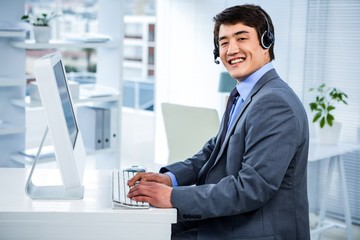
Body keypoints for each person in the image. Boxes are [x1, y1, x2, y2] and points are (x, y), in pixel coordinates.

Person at [128, 4, 310, 240]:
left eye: (241, 38)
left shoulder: (274, 103)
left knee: (143, 233)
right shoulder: (246, 94)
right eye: (224, 42)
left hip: (255, 231)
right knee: (142, 228)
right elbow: (214, 151)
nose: (231, 49)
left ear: (266, 42)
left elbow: (251, 188)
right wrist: (170, 179)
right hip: (232, 221)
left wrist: (172, 197)